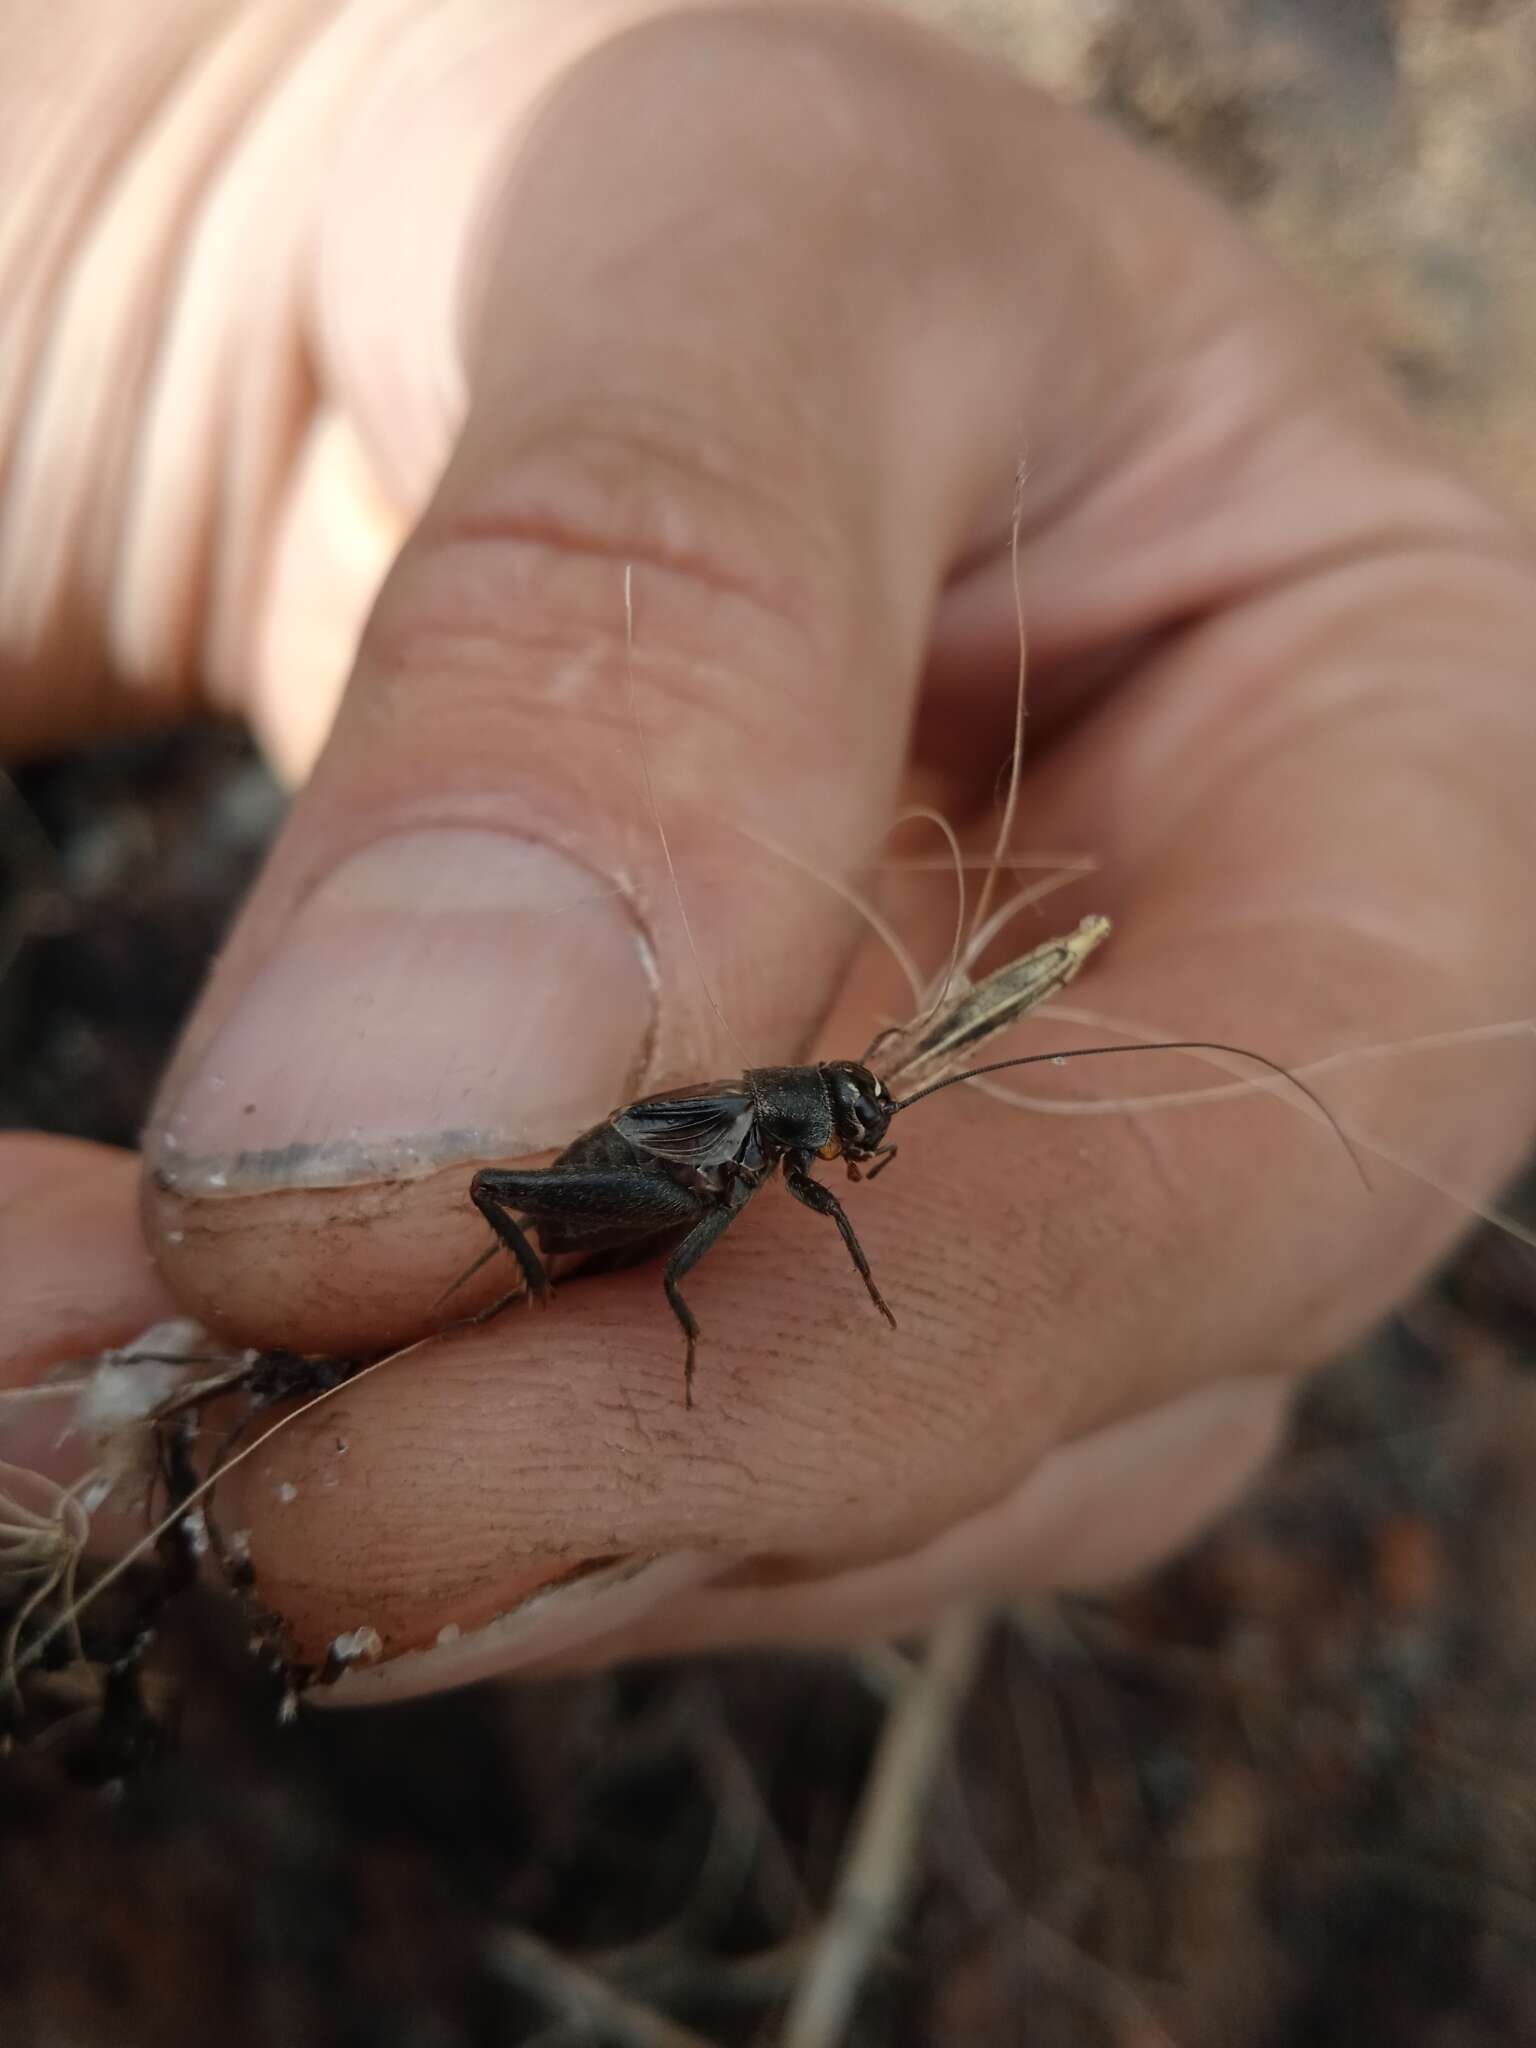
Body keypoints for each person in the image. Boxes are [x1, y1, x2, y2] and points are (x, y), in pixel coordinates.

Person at [4, 3, 1535, 1697]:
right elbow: (677, 1236)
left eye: (854, 1119)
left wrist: (221, 138)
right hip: (570, 1177)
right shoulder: (753, 1131)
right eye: (851, 1121)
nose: (856, 1138)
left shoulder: (788, 1130)